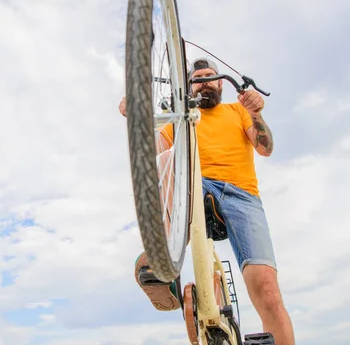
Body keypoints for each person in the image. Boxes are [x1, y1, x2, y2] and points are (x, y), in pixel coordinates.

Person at [119, 57, 295, 345]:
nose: (204, 81)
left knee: (268, 290)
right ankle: (163, 257)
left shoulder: (237, 111)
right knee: (167, 158)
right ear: (189, 87)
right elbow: (152, 154)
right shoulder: (180, 121)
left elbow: (265, 149)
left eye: (210, 76)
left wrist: (256, 115)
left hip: (242, 194)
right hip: (195, 182)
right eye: (197, 77)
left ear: (220, 83)